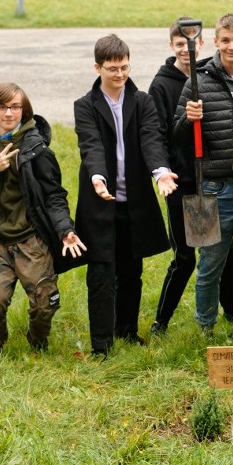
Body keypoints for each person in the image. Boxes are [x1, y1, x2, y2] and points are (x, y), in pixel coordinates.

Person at [0, 82, 86, 354]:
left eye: (15, 107)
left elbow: (54, 195)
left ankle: (38, 344)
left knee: (45, 304)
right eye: (3, 107)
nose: (9, 113)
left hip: (31, 240)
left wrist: (66, 229)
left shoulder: (36, 149)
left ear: (24, 110)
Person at [74, 34, 178, 358]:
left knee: (132, 271)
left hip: (133, 203)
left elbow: (151, 140)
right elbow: (90, 144)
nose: (119, 75)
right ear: (97, 67)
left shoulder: (143, 101)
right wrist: (97, 179)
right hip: (100, 202)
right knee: (102, 273)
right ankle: (101, 345)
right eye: (112, 69)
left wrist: (161, 173)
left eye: (124, 67)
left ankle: (127, 332)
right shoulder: (85, 106)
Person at [149, 17, 233, 336]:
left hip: (207, 179)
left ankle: (230, 310)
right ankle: (163, 321)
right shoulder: (164, 86)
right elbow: (164, 135)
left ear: (202, 43)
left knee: (225, 252)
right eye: (179, 44)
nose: (186, 50)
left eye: (189, 44)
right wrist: (164, 172)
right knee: (188, 257)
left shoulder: (210, 79)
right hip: (183, 182)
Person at [173, 13, 233, 335]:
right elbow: (177, 138)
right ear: (215, 41)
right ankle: (205, 326)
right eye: (225, 40)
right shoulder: (198, 82)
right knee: (211, 263)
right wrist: (187, 119)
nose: (232, 46)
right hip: (213, 186)